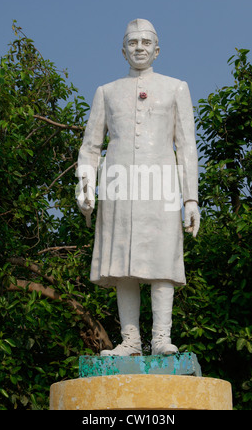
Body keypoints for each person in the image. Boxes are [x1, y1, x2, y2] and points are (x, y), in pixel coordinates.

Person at [76, 19, 200, 356]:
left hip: (161, 185)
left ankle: (161, 337)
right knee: (123, 263)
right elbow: (90, 147)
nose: (140, 47)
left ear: (157, 49)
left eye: (146, 42)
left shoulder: (176, 88)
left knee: (162, 260)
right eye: (133, 42)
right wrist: (85, 184)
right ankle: (129, 340)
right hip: (119, 186)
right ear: (123, 50)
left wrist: (191, 198)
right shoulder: (107, 91)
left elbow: (186, 145)